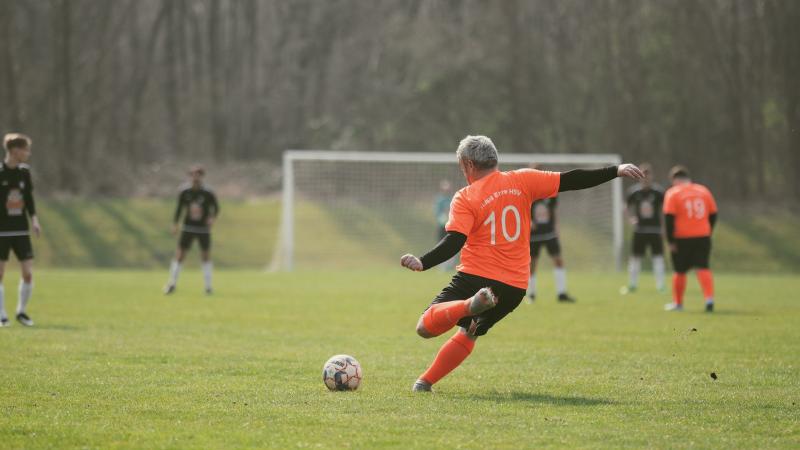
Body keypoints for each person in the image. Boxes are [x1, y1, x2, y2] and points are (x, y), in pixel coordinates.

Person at [400, 135, 644, 392]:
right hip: (514, 287)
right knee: (469, 330)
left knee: (425, 327)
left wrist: (423, 262)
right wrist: (615, 171)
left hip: (476, 277)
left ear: (469, 164)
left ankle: (469, 305)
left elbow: (455, 241)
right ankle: (425, 382)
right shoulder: (523, 180)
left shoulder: (466, 196)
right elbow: (571, 179)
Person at [662, 166, 718, 312]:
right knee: (703, 267)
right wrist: (708, 230)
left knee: (679, 270)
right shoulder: (703, 190)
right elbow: (713, 214)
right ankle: (709, 299)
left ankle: (678, 303)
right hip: (703, 236)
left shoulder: (673, 193)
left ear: (674, 180)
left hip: (682, 237)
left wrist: (670, 241)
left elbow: (669, 219)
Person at [0, 133, 41, 327]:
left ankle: (21, 312)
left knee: (27, 272)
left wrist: (34, 220)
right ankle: (1, 314)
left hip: (21, 231)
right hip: (1, 232)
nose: (28, 153)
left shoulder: (25, 172)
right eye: (25, 149)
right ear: (15, 151)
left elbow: (29, 200)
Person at [164, 165, 219, 295]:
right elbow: (179, 209)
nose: (195, 177)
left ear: (201, 176)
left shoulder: (208, 192)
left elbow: (216, 208)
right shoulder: (184, 191)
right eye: (192, 175)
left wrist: (212, 218)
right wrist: (175, 224)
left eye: (197, 175)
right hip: (188, 228)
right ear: (190, 176)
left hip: (203, 229)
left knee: (205, 256)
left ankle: (208, 287)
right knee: (180, 255)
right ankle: (172, 283)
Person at [526, 164, 575, 303]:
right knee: (532, 264)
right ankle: (531, 294)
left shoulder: (551, 190)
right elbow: (521, 208)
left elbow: (553, 212)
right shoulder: (527, 191)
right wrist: (529, 221)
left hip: (549, 233)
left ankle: (562, 293)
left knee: (558, 260)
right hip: (534, 235)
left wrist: (556, 227)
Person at [621, 163, 666, 294]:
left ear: (652, 176)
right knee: (635, 258)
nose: (646, 178)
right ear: (639, 176)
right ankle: (632, 285)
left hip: (655, 230)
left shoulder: (658, 192)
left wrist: (663, 228)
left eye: (648, 175)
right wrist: (630, 219)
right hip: (639, 230)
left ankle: (661, 286)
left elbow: (664, 211)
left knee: (658, 258)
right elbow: (625, 207)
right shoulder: (634, 192)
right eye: (643, 175)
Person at [434, 179, 456, 271]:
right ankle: (441, 265)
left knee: (452, 245)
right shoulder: (440, 200)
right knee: (440, 244)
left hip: (451, 226)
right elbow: (437, 213)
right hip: (442, 226)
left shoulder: (453, 199)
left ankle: (450, 265)